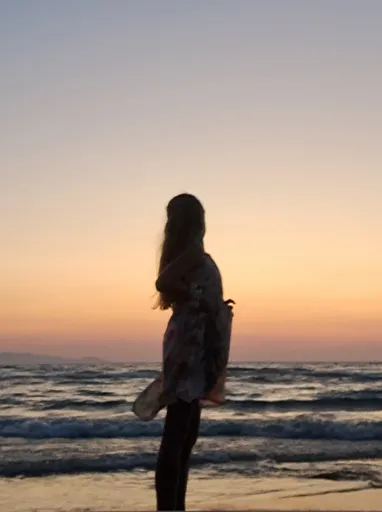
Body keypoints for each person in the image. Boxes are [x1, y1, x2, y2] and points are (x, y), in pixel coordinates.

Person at [153, 193, 233, 511]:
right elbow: (163, 283)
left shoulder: (187, 253)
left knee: (185, 435)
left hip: (192, 344)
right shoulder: (193, 252)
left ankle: (176, 506)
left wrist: (214, 304)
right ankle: (169, 507)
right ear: (197, 221)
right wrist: (197, 298)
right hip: (190, 346)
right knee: (179, 433)